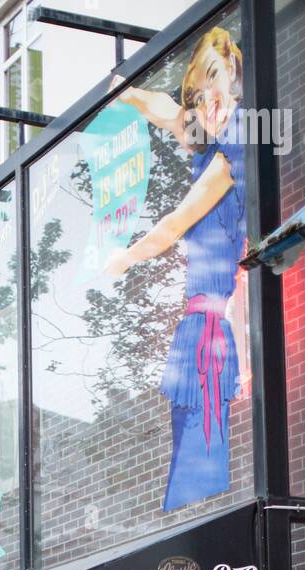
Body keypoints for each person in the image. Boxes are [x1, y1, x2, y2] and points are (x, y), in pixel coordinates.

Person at [104, 25, 247, 513]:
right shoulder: (211, 137)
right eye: (200, 92)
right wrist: (130, 96)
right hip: (197, 330)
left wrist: (124, 259)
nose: (207, 102)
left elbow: (175, 221)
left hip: (209, 336)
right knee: (190, 452)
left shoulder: (234, 151)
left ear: (233, 84)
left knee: (198, 465)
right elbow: (171, 114)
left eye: (216, 87)